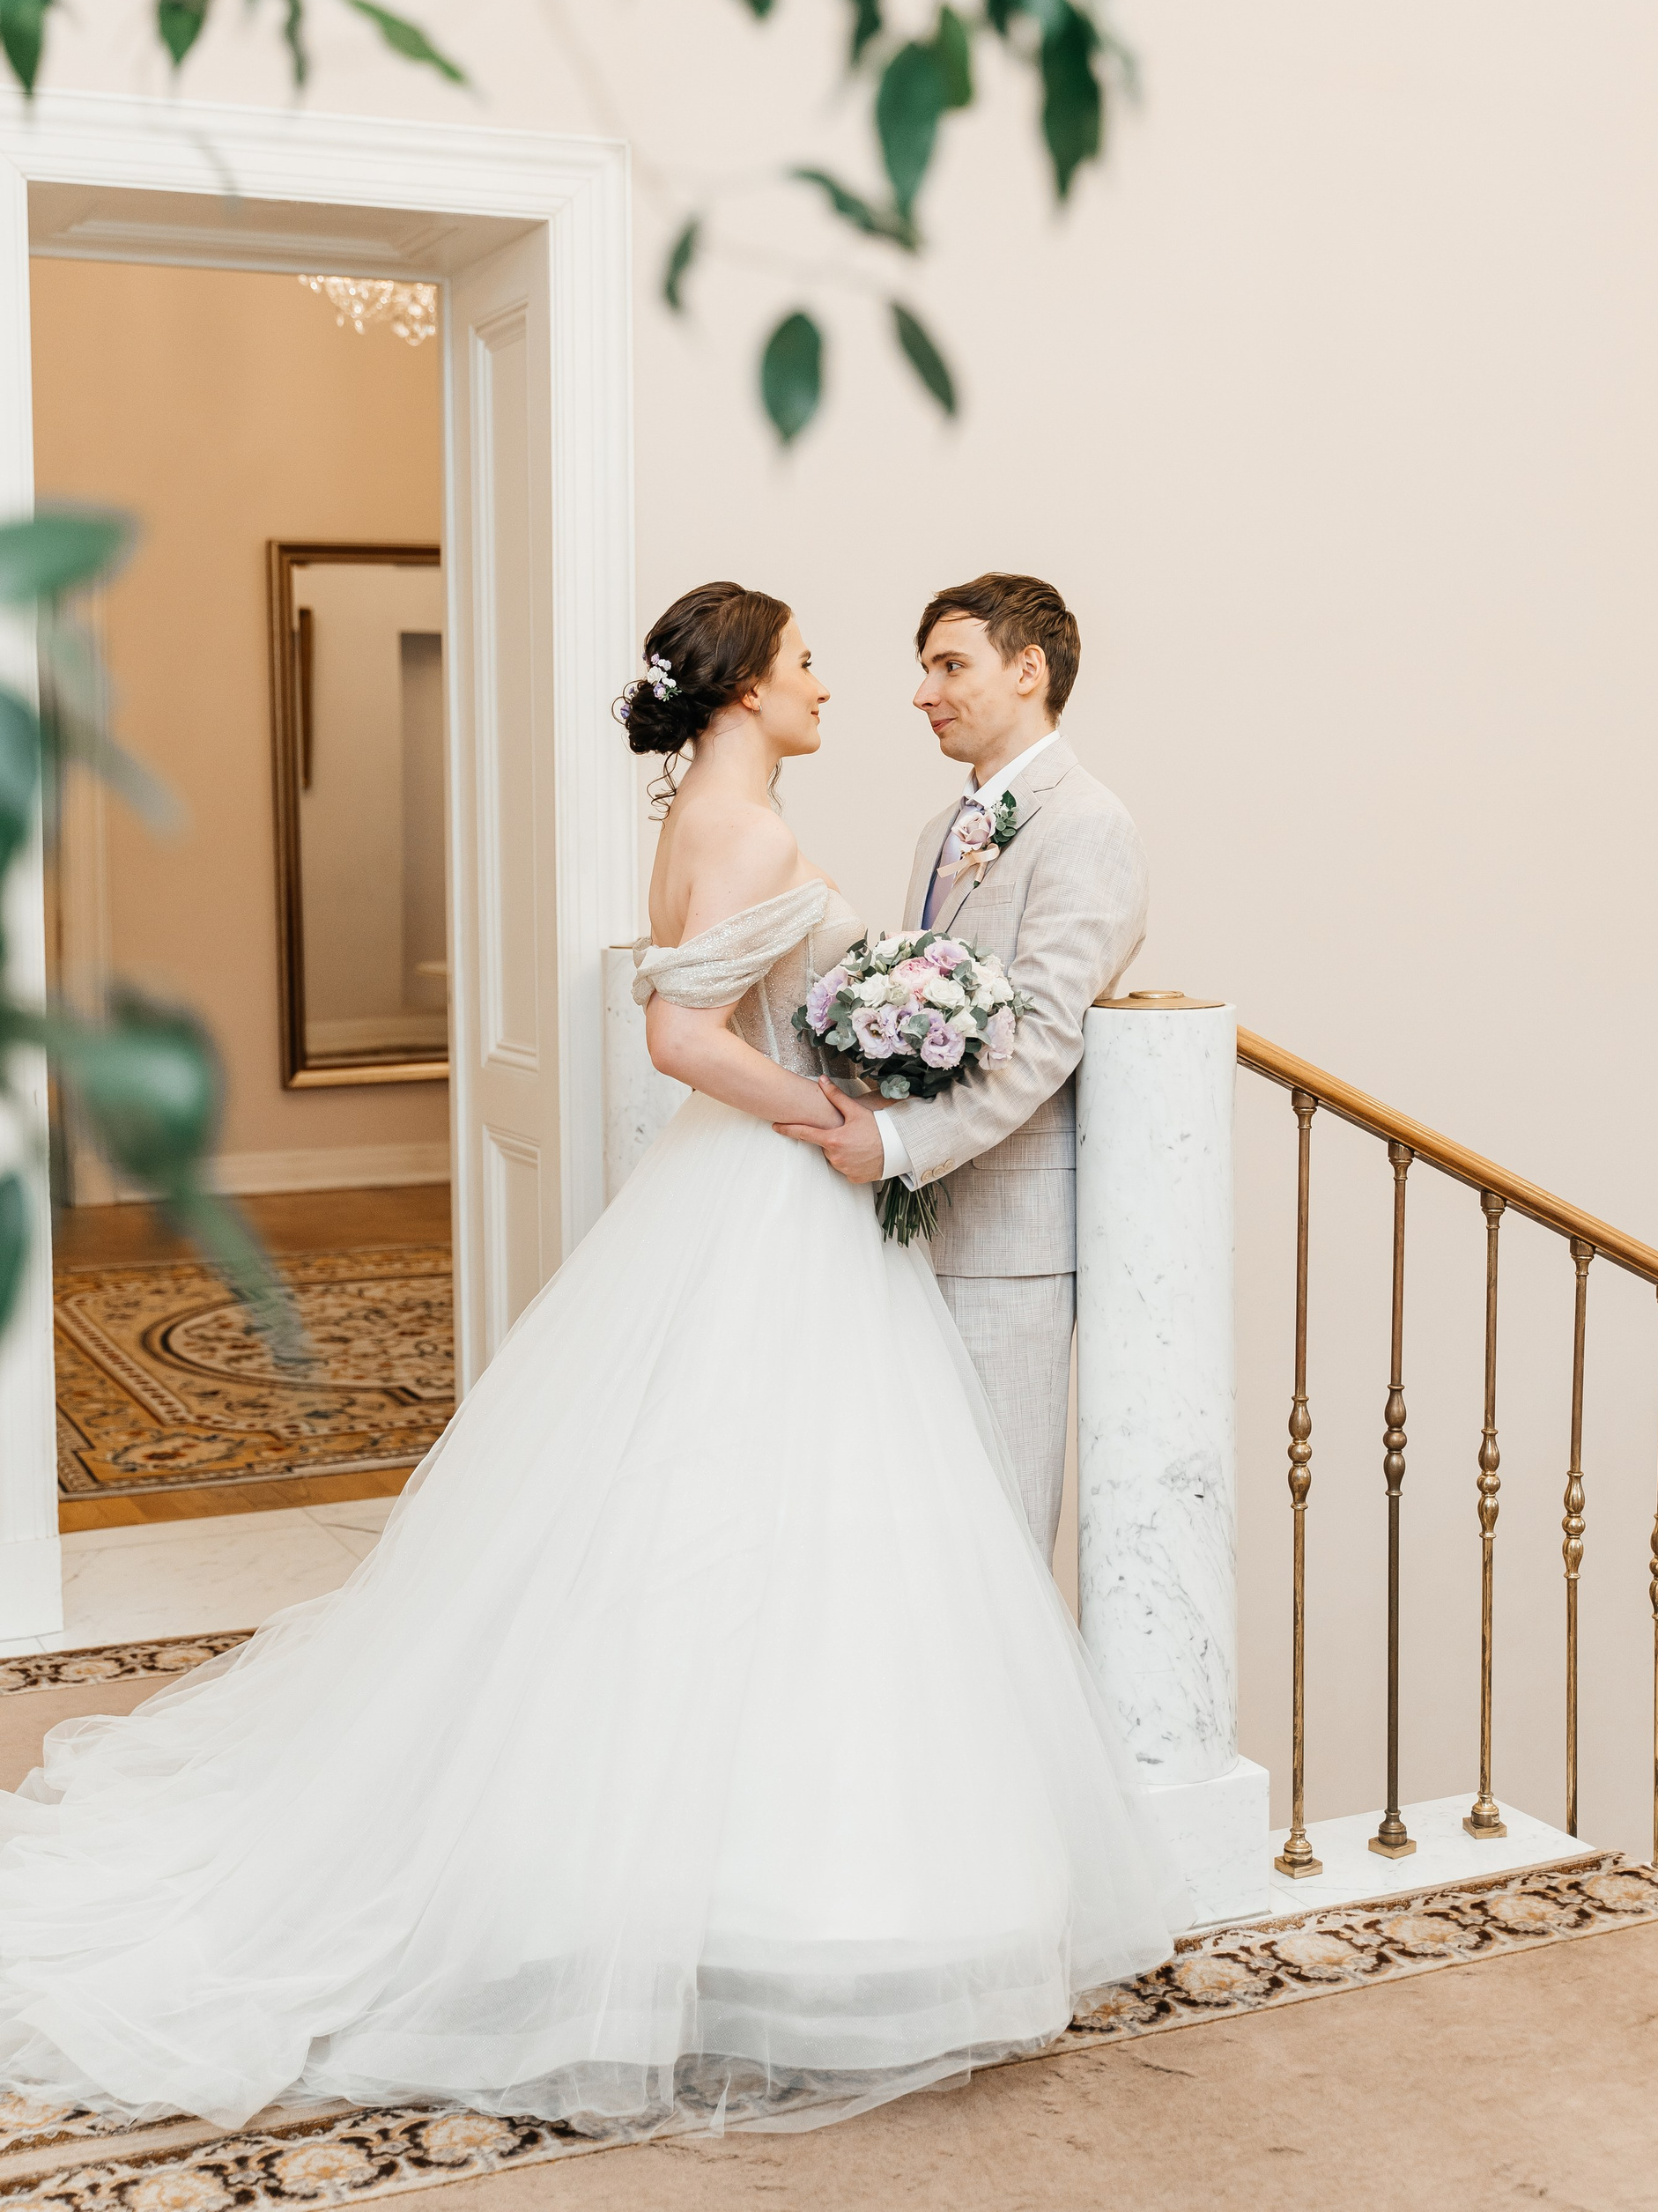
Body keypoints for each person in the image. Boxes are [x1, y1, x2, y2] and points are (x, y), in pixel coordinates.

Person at [0, 581, 1184, 2145]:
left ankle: (781, 1875)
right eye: (815, 662)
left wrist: (876, 1100)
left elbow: (992, 1023)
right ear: (747, 687)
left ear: (1026, 671)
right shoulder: (749, 828)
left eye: (939, 663)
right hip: (788, 1192)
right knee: (791, 1531)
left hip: (816, 1195)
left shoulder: (823, 816)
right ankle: (762, 1894)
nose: (852, 687)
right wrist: (831, 1114)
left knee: (780, 1532)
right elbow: (685, 1037)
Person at [778, 574, 1147, 1561]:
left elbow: (1044, 1033)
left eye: (950, 666)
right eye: (925, 669)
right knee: (915, 1528)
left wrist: (899, 1142)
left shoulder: (1088, 824)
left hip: (1009, 1240)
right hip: (914, 1231)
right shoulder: (941, 831)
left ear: (1029, 669)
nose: (923, 693)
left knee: (998, 1537)